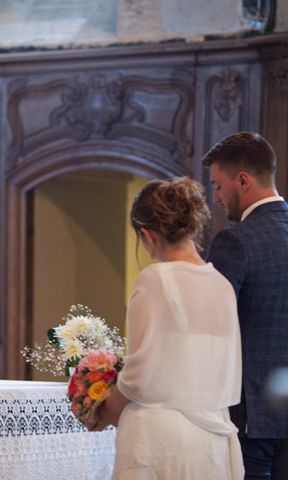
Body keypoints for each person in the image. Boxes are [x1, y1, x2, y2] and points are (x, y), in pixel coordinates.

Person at [96, 177, 243, 479]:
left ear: (147, 234)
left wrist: (103, 410)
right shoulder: (222, 285)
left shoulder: (155, 279)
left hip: (160, 439)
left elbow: (140, 376)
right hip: (212, 438)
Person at [203, 131, 288, 478]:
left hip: (252, 416)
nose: (216, 198)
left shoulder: (234, 241)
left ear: (243, 180)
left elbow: (210, 326)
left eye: (218, 186)